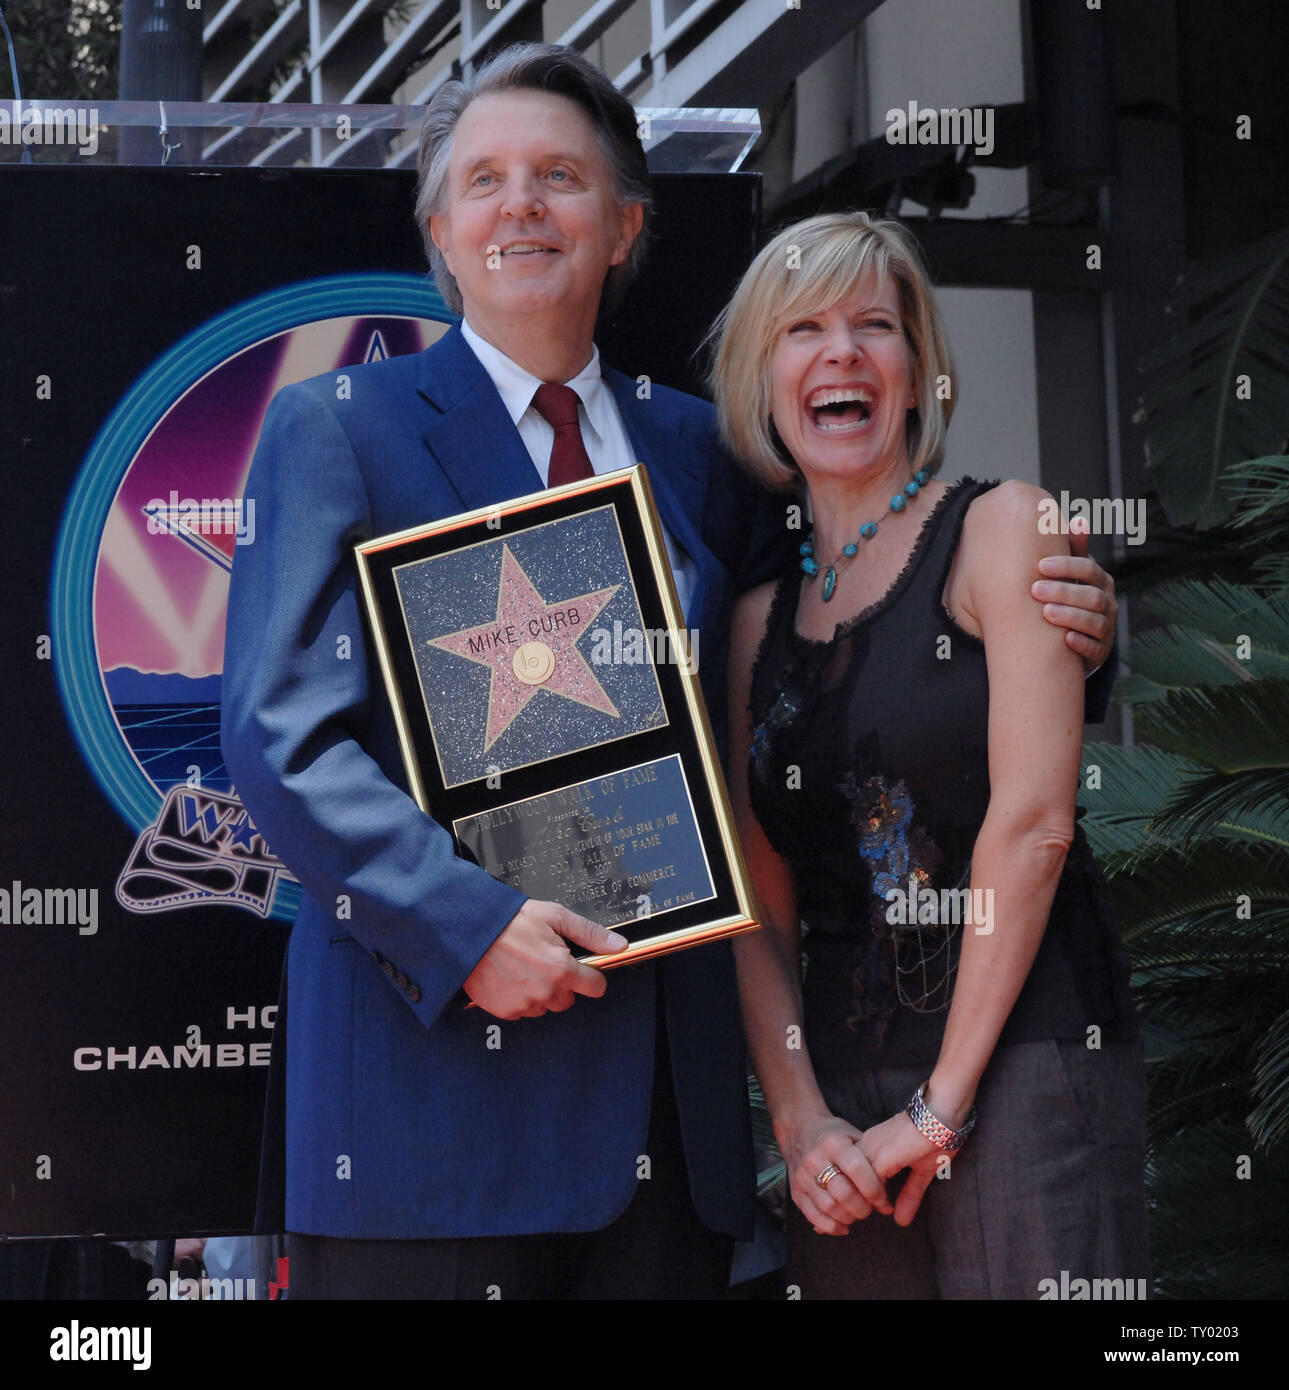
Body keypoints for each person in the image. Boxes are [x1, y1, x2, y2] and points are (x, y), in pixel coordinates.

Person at [221, 47, 1121, 1300]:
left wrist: (1067, 624)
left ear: (627, 225)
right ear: (439, 228)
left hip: (663, 1138)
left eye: (559, 177)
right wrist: (466, 924)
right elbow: (280, 739)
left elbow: (850, 645)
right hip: (423, 1118)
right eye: (483, 179)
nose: (520, 204)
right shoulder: (339, 431)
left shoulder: (704, 452)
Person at [713, 211, 1148, 1299]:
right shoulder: (752, 619)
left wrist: (940, 1106)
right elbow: (753, 903)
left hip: (1022, 1064)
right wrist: (801, 1117)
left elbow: (1034, 824)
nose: (841, 353)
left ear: (916, 373)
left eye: (874, 326)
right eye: (802, 330)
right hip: (842, 1112)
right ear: (761, 382)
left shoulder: (1006, 527)